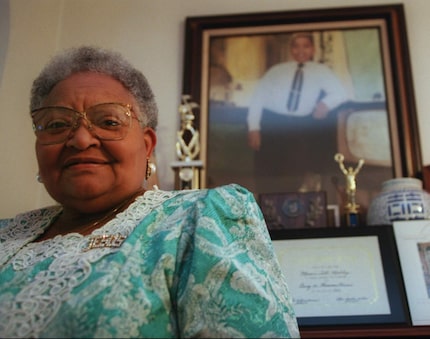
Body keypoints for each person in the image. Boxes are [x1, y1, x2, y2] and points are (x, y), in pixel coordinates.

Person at [0, 46, 300, 338]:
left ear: (147, 145)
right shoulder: (7, 234)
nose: (80, 139)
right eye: (56, 124)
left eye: (108, 121)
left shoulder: (201, 218)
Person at [247, 32, 348, 195]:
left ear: (313, 49)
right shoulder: (276, 71)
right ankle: (266, 211)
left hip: (300, 127)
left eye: (306, 46)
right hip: (272, 123)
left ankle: (289, 209)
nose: (300, 50)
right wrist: (254, 127)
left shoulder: (321, 71)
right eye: (296, 46)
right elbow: (258, 98)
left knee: (295, 171)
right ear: (291, 49)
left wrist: (324, 104)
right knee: (267, 171)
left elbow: (340, 93)